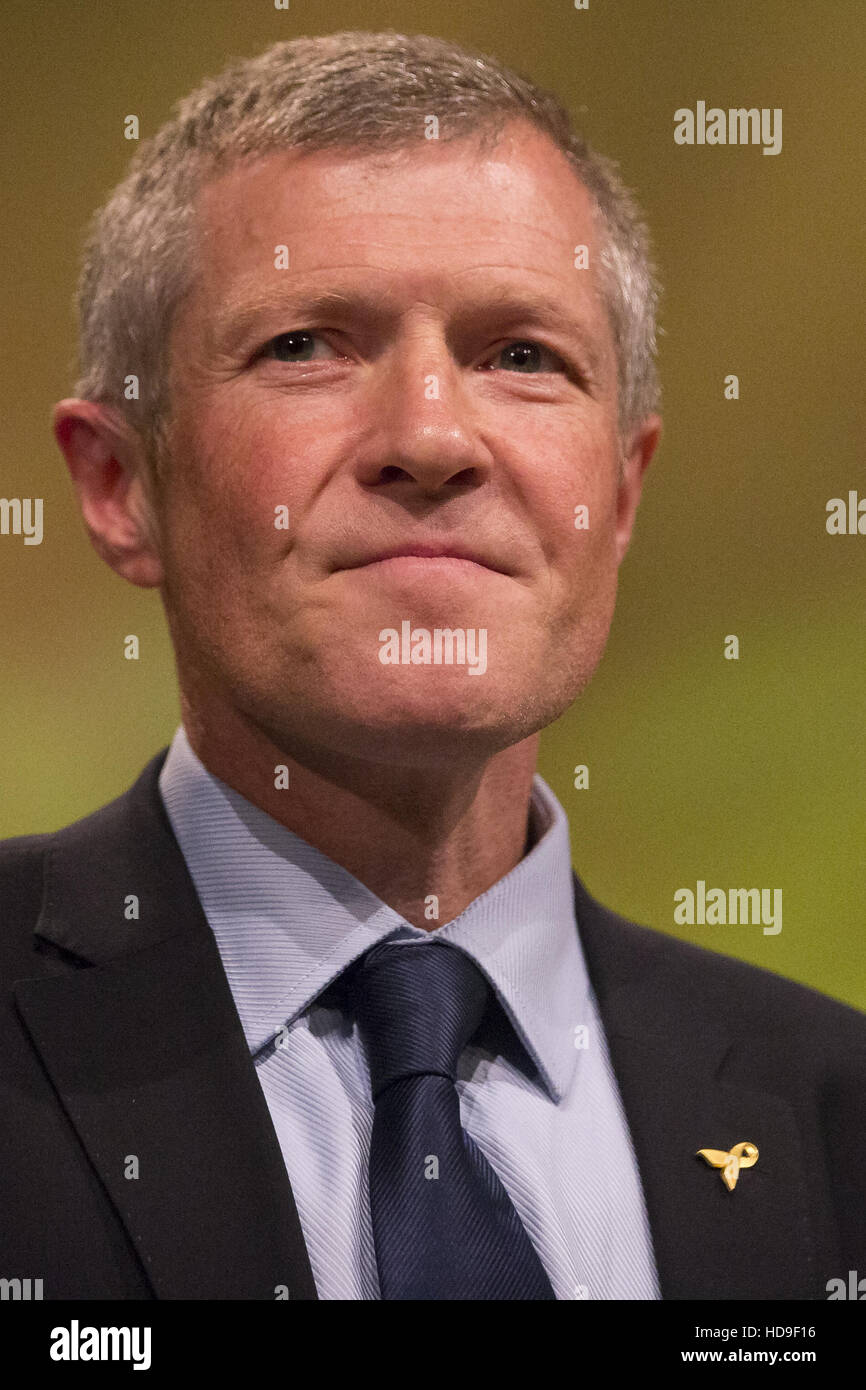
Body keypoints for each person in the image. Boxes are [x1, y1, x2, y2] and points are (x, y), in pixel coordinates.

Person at [2, 30, 863, 1301]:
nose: (430, 437)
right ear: (121, 484)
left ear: (618, 499)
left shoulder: (832, 1116)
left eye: (521, 355)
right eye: (306, 345)